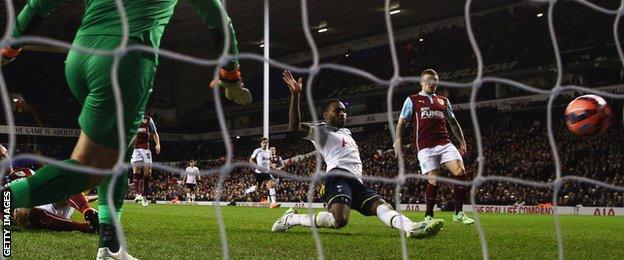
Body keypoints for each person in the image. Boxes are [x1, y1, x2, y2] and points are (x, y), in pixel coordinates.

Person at [0, 1, 250, 258]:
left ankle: (110, 246)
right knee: (90, 170)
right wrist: (231, 75)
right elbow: (217, 17)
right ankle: (7, 199)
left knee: (118, 156)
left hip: (80, 57)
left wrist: (10, 47)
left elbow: (39, 4)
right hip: (124, 61)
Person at [271, 71, 443, 239]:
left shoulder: (346, 131)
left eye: (344, 111)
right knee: (339, 220)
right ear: (326, 115)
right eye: (337, 111)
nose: (343, 114)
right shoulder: (321, 131)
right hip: (338, 176)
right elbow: (294, 127)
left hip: (356, 181)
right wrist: (295, 96)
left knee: (383, 206)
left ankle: (412, 227)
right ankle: (291, 218)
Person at [393, 69, 474, 225]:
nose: (432, 83)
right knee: (434, 179)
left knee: (461, 171)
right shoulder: (412, 100)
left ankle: (458, 213)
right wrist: (398, 140)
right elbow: (402, 122)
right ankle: (428, 215)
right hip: (425, 146)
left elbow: (453, 122)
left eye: (435, 81)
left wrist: (462, 141)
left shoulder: (443, 100)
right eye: (429, 80)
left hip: (445, 143)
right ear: (421, 82)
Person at [131, 114, 161, 207]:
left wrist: (158, 144)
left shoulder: (148, 120)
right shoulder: (131, 118)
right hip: (135, 148)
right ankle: (137, 194)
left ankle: (144, 195)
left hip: (145, 148)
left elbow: (155, 133)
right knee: (137, 169)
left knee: (148, 172)